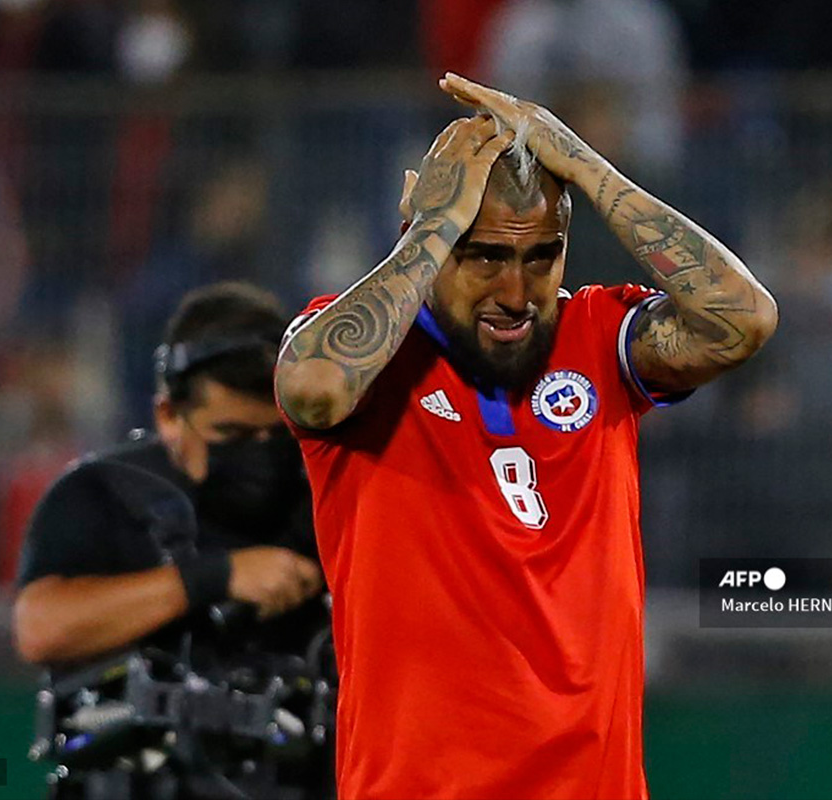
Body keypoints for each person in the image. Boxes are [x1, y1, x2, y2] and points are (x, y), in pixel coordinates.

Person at [275, 74, 778, 799]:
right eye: (484, 256)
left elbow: (745, 320)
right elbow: (311, 390)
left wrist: (583, 164)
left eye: (540, 256)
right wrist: (431, 225)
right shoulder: (364, 361)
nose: (515, 291)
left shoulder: (599, 338)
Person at [14, 282, 330, 798]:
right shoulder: (105, 493)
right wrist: (217, 577)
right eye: (230, 435)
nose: (260, 454)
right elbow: (41, 627)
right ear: (168, 416)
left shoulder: (325, 498)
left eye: (276, 435)